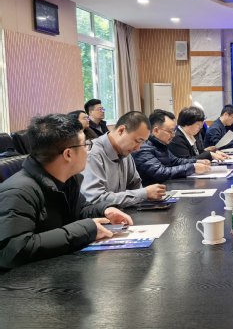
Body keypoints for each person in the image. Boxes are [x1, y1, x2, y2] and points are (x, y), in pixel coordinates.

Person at [0, 114, 133, 269]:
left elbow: (80, 210)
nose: (88, 151)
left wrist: (105, 211)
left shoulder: (68, 179)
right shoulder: (18, 192)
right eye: (85, 145)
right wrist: (86, 229)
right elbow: (12, 250)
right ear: (68, 154)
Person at [81, 111, 168, 208]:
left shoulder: (125, 152)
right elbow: (95, 199)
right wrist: (144, 194)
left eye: (142, 143)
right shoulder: (93, 154)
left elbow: (136, 187)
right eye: (137, 141)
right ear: (121, 130)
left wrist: (149, 195)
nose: (138, 148)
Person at [133, 110, 211, 185]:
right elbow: (161, 172)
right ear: (156, 130)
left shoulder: (161, 144)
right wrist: (192, 167)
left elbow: (175, 161)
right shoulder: (143, 148)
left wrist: (196, 161)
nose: (173, 135)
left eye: (174, 131)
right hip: (152, 190)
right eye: (171, 131)